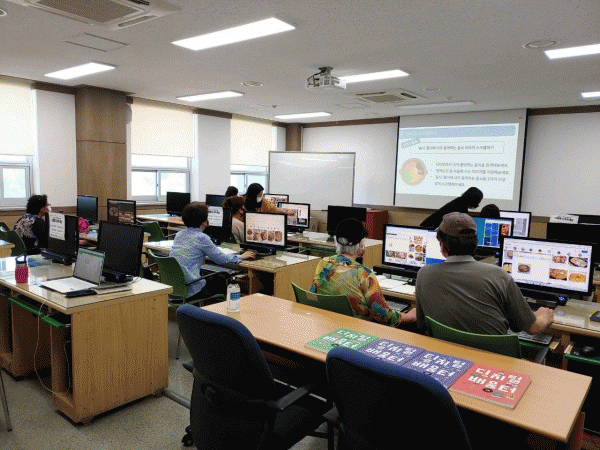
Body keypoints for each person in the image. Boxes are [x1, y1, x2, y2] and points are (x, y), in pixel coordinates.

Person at [416, 212, 553, 335]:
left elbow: (422, 325)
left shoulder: (424, 274)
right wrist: (543, 316)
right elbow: (532, 328)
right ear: (475, 244)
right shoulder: (499, 275)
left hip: (445, 353)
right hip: (492, 355)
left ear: (442, 245)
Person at [311, 218, 416, 327]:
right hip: (357, 329)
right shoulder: (364, 274)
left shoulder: (324, 263)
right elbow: (385, 316)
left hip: (327, 325)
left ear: (336, 241)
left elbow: (313, 295)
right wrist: (410, 316)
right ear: (361, 245)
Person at [170, 202, 255, 300]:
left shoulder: (179, 234)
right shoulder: (202, 238)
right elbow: (221, 259)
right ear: (204, 221)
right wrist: (241, 256)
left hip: (174, 289)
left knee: (211, 277)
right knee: (222, 281)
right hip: (190, 289)